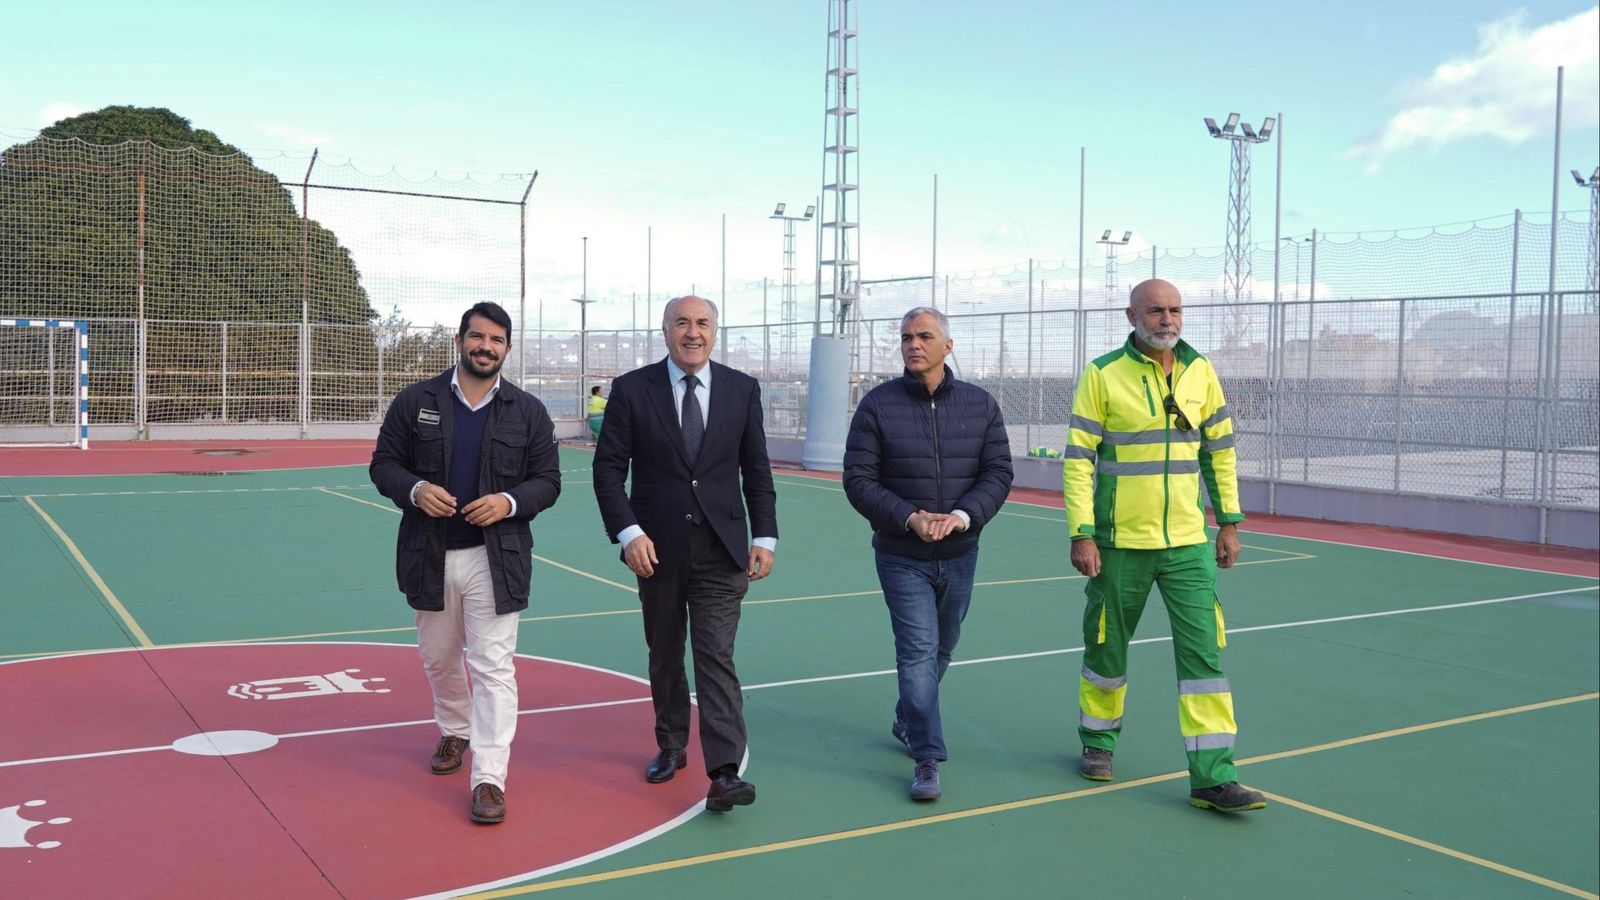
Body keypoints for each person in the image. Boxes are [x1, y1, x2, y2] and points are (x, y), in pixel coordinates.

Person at [1062, 278, 1263, 813]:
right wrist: (1081, 532)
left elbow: (1219, 452)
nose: (1166, 319)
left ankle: (1213, 778)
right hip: (1119, 543)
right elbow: (1079, 460)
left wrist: (1228, 522)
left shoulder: (1202, 372)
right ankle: (1098, 744)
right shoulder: (1102, 374)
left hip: (1187, 546)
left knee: (1204, 658)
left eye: (1174, 309)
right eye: (1155, 310)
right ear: (1132, 315)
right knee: (1106, 648)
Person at [370, 301, 561, 825]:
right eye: (478, 337)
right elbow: (383, 465)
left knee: (494, 666)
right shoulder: (416, 401)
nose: (486, 347)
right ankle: (455, 728)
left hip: (494, 558)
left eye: (497, 340)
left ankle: (489, 778)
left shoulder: (528, 411)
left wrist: (509, 503)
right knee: (438, 656)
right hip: (429, 554)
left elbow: (548, 481)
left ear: (507, 348)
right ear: (460, 341)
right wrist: (413, 489)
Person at [592, 294, 778, 813]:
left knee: (716, 655)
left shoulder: (743, 389)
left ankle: (722, 771)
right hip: (657, 549)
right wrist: (630, 534)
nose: (692, 332)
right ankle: (671, 746)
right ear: (666, 330)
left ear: (715, 331)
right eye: (681, 323)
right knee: (665, 652)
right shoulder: (632, 390)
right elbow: (608, 471)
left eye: (702, 323)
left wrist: (764, 537)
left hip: (722, 548)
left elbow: (756, 471)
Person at [843, 306, 1014, 802]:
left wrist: (962, 517)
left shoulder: (980, 406)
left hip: (961, 551)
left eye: (924, 336)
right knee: (917, 650)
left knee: (943, 647)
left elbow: (998, 474)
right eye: (906, 337)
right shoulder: (877, 405)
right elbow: (858, 480)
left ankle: (906, 718)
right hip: (901, 554)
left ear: (947, 346)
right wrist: (909, 517)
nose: (913, 344)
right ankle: (927, 757)